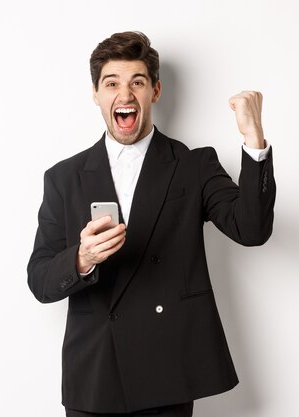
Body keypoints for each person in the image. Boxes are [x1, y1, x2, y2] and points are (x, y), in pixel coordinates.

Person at [27, 31, 276, 417]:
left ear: (155, 91)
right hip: (94, 377)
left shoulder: (194, 165)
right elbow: (40, 281)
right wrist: (81, 257)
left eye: (137, 83)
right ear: (96, 94)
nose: (124, 95)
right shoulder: (64, 177)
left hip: (167, 372)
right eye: (112, 83)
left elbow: (252, 229)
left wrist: (253, 139)